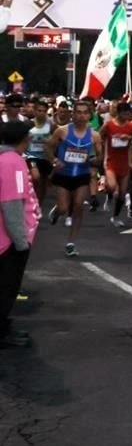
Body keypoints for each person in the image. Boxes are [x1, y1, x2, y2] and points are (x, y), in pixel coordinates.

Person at [0, 122, 39, 349]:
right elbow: (11, 203)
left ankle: (3, 325)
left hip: (7, 238)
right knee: (6, 288)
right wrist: (20, 241)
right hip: (8, 240)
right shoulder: (13, 162)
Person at [47, 100, 102, 257]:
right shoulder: (62, 131)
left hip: (82, 175)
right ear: (73, 114)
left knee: (78, 206)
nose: (81, 115)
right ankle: (58, 211)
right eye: (78, 112)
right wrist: (54, 160)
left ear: (89, 115)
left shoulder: (94, 135)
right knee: (64, 208)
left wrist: (94, 161)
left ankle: (71, 243)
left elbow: (100, 157)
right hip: (64, 174)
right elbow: (49, 146)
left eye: (85, 112)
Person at [100, 102, 132, 227]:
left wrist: (129, 137)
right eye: (125, 113)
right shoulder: (109, 124)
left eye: (128, 113)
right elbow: (98, 136)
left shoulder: (130, 126)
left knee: (123, 193)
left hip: (124, 163)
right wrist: (102, 148)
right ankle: (109, 196)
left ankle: (115, 216)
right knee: (113, 187)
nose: (127, 115)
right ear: (119, 112)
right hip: (110, 161)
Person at [25, 99, 53, 203]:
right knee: (36, 178)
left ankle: (38, 205)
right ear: (35, 111)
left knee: (44, 183)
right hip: (31, 156)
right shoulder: (28, 124)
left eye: (44, 111)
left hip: (45, 157)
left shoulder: (50, 124)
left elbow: (57, 139)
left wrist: (50, 143)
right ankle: (32, 200)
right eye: (39, 111)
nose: (41, 113)